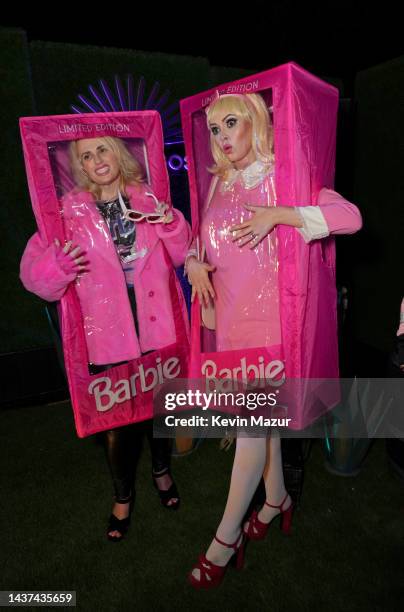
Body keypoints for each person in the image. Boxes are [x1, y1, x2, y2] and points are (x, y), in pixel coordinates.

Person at [185, 92, 362, 588]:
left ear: (258, 122)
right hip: (230, 324)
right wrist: (193, 263)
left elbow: (350, 218)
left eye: (231, 123)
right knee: (261, 428)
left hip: (274, 329)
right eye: (215, 128)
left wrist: (279, 214)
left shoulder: (289, 174)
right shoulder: (218, 180)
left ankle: (225, 539)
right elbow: (200, 245)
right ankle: (277, 499)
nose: (221, 137)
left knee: (249, 430)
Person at [20, 135, 192, 541]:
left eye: (103, 149)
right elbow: (34, 279)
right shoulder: (65, 212)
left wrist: (170, 222)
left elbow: (183, 252)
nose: (96, 159)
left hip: (156, 324)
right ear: (78, 164)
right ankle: (122, 496)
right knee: (117, 423)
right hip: (107, 336)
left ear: (120, 152)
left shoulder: (147, 197)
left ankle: (162, 472)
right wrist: (56, 265)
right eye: (85, 155)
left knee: (160, 410)